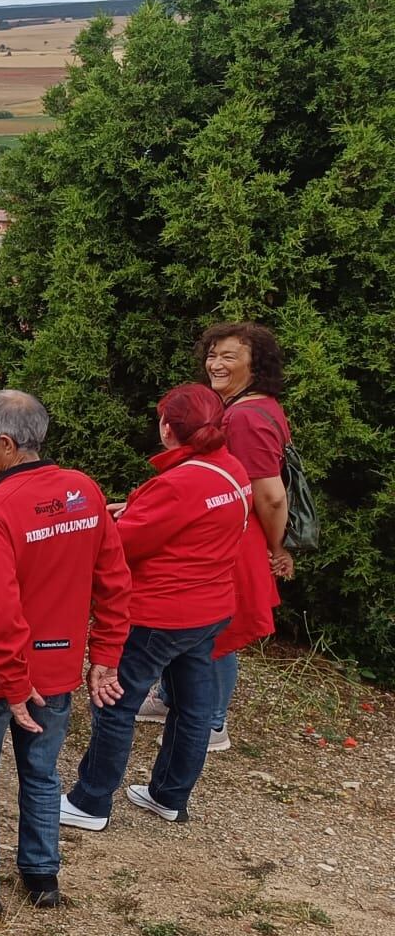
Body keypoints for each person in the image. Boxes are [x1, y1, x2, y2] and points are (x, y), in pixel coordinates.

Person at [0, 390, 130, 919]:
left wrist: (15, 683)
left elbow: (0, 606)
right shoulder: (82, 492)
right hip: (58, 669)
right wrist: (103, 655)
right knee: (42, 774)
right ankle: (42, 876)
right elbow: (113, 580)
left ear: (9, 444)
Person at [64, 384, 252, 830]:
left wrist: (113, 522)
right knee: (192, 707)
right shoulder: (231, 470)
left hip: (159, 613)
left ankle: (91, 801)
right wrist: (134, 508)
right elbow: (195, 522)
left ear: (168, 429)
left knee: (115, 703)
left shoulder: (179, 482)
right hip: (211, 608)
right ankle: (169, 795)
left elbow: (124, 545)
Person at [182, 321, 292, 750]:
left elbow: (271, 495)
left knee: (216, 632)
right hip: (231, 534)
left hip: (235, 538)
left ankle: (211, 722)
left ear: (256, 364)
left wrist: (275, 547)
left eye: (230, 356)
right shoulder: (250, 406)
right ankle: (176, 700)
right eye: (213, 354)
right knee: (203, 626)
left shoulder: (245, 417)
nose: (216, 363)